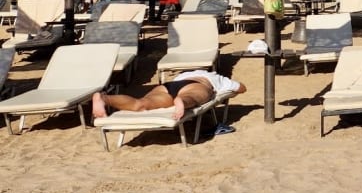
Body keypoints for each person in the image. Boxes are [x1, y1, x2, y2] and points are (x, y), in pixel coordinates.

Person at [91, 70, 246, 121]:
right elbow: (241, 87)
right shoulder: (215, 77)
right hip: (195, 84)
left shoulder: (184, 74)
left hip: (168, 86)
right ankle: (182, 101)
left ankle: (105, 98)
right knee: (193, 97)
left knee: (141, 104)